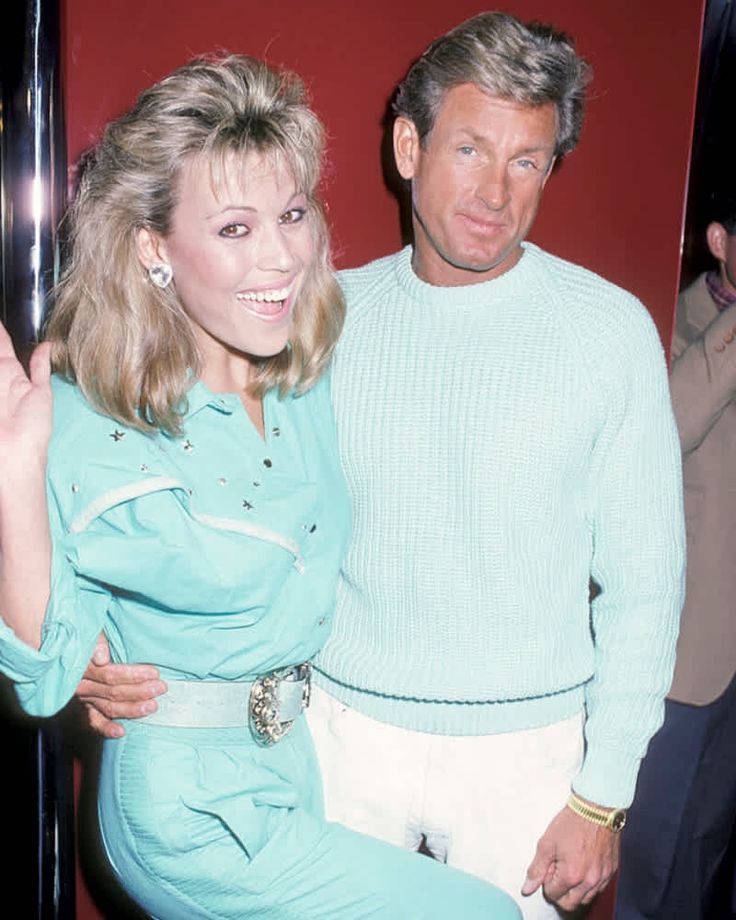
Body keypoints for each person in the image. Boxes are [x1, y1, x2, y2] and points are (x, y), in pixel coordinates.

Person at [78, 13, 686, 919]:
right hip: (337, 734)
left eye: (528, 160)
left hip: (526, 758)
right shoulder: (313, 322)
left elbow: (647, 585)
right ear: (409, 144)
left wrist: (604, 792)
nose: (496, 191)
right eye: (471, 148)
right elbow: (175, 475)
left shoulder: (608, 333)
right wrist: (94, 642)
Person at [0, 54, 522, 920]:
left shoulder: (301, 376)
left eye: (291, 213)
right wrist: (15, 474)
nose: (282, 254)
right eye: (236, 229)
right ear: (153, 249)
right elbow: (45, 674)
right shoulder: (96, 414)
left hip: (289, 762)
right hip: (188, 808)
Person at [615, 192, 736, 919]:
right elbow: (660, 437)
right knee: (649, 866)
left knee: (707, 851)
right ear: (721, 240)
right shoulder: (672, 321)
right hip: (684, 664)